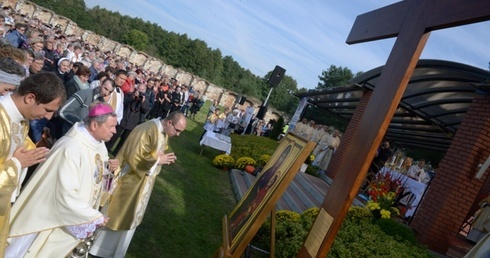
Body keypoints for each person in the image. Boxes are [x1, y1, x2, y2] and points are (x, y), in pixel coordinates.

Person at [6, 103, 119, 258]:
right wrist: (92, 217)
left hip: (75, 215)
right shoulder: (71, 147)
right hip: (49, 220)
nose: (115, 131)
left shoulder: (99, 145)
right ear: (94, 125)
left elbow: (96, 175)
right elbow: (63, 192)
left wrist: (109, 170)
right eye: (111, 127)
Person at [90, 111, 187, 257]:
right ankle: (97, 248)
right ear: (169, 123)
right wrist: (157, 161)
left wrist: (158, 158)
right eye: (177, 130)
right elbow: (134, 155)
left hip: (142, 182)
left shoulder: (163, 132)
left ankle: (114, 251)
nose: (178, 134)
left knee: (130, 216)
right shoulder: (147, 129)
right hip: (129, 180)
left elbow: (155, 151)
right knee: (117, 213)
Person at [0, 72, 66, 257]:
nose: (50, 117)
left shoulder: (21, 120)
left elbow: (17, 145)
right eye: (47, 109)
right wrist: (16, 164)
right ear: (30, 97)